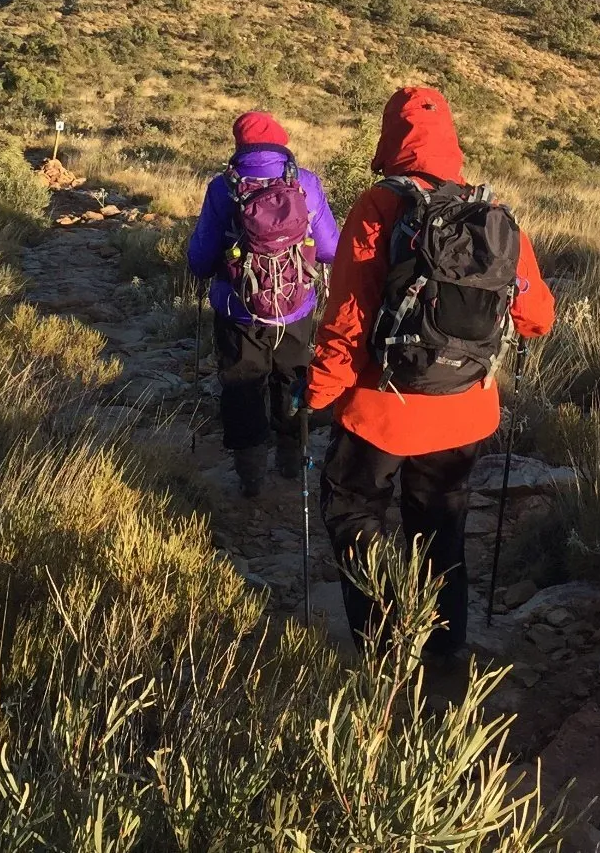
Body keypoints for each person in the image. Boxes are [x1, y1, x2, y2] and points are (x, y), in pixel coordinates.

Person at [307, 86, 555, 663]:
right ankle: (447, 656)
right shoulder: (490, 215)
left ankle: (384, 647)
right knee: (441, 525)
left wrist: (319, 391)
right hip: (464, 406)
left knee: (354, 510)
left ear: (390, 137)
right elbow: (538, 317)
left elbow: (348, 315)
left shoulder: (380, 205)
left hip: (382, 408)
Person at [187, 111, 340, 498]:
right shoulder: (305, 183)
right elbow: (329, 249)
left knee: (242, 383)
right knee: (292, 377)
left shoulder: (223, 187)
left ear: (240, 145)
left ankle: (251, 477)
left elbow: (201, 261)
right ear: (281, 142)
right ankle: (291, 458)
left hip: (238, 309)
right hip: (296, 307)